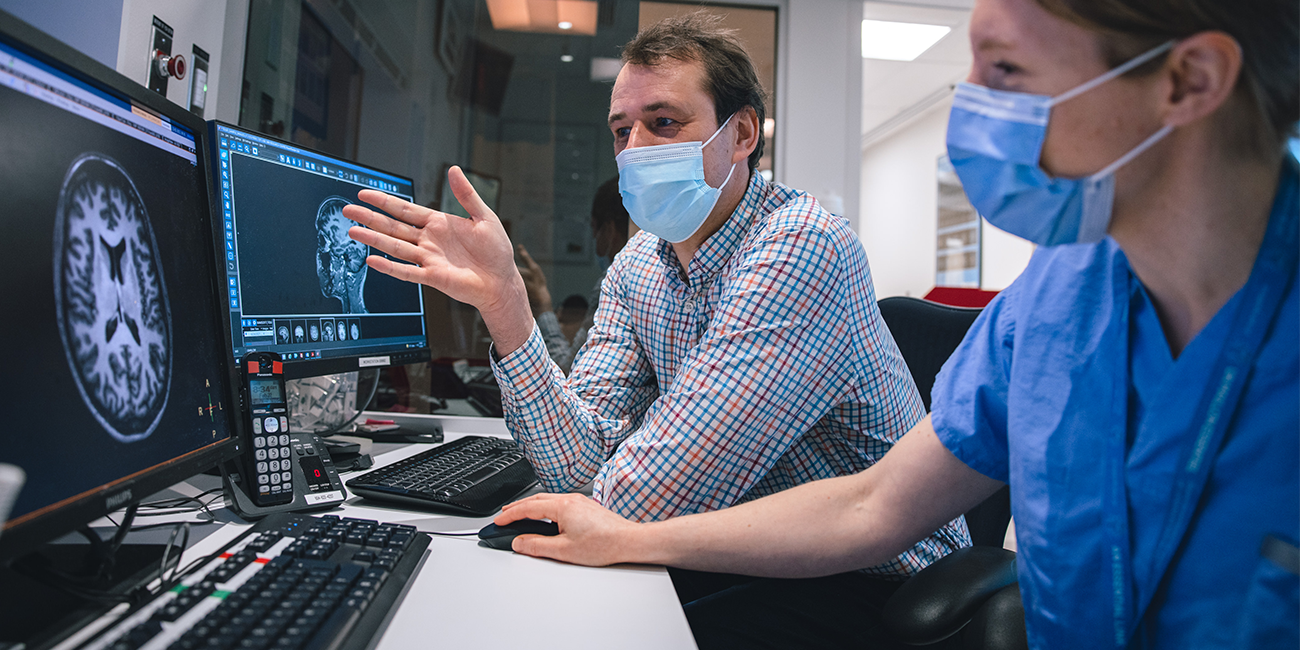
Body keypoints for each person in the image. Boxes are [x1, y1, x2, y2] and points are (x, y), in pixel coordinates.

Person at [492, 0, 1300, 648]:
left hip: (866, 594)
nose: (969, 103)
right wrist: (622, 535)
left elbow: (644, 491)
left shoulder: (800, 245)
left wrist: (625, 525)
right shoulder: (1056, 301)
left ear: (1188, 80)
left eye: (1007, 69)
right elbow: (872, 505)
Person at [343, 10, 968, 604]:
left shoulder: (802, 248)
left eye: (664, 123)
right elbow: (574, 462)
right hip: (738, 547)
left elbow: (646, 499)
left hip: (881, 583)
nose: (635, 149)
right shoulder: (641, 262)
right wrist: (505, 303)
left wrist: (603, 481)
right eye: (622, 131)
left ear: (743, 133)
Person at [517, 176, 631, 374]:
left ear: (610, 229)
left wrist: (542, 303)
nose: (595, 239)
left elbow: (568, 370)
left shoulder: (614, 282)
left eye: (595, 229)